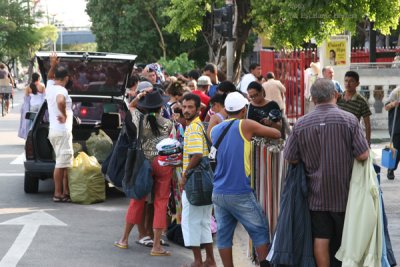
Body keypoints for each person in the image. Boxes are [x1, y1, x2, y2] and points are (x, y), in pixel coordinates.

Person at [284, 79, 369, 267]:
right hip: (346, 195)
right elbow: (363, 154)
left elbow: (290, 157)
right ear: (336, 95)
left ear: (313, 99)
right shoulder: (349, 120)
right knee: (345, 238)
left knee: (321, 238)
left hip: (316, 196)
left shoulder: (301, 124)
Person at [210, 92, 281, 267]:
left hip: (218, 192)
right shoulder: (246, 124)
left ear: (226, 110)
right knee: (259, 231)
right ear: (244, 110)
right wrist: (270, 123)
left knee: (224, 237)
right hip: (239, 191)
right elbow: (276, 134)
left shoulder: (215, 130)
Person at [115, 86, 174, 256]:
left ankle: (124, 240)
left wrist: (139, 95)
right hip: (163, 164)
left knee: (137, 199)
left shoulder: (140, 119)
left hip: (144, 164)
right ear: (161, 107)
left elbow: (130, 107)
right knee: (161, 203)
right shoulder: (169, 124)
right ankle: (156, 246)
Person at [180, 93, 217, 267]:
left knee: (190, 222)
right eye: (184, 106)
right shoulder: (197, 125)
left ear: (198, 109)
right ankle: (210, 259)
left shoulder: (193, 128)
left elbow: (196, 155)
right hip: (205, 180)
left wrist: (184, 175)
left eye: (190, 107)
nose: (186, 110)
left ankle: (197, 261)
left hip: (195, 181)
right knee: (203, 222)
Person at [46, 53, 74, 203]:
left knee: (63, 163)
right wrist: (63, 114)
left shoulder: (50, 86)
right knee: (61, 164)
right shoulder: (61, 91)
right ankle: (58, 193)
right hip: (62, 131)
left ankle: (65, 192)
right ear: (67, 78)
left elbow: (50, 76)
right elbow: (60, 101)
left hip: (54, 131)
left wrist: (53, 65)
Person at [337, 71, 372, 145]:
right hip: (337, 137)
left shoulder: (361, 101)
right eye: (346, 81)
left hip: (353, 139)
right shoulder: (338, 98)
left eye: (351, 81)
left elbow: (367, 124)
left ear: (357, 84)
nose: (348, 84)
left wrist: (367, 142)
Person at [385, 87, 400, 179]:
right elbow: (386, 107)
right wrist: (395, 103)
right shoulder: (396, 93)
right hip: (397, 127)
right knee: (397, 149)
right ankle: (391, 168)